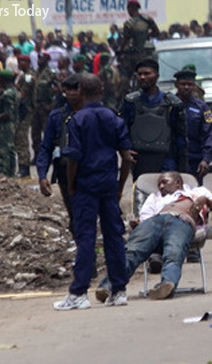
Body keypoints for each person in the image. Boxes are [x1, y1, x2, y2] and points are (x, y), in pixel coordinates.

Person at [54, 74, 133, 311]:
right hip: (108, 184)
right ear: (101, 88)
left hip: (86, 186)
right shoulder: (113, 117)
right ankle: (119, 290)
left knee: (86, 238)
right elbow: (127, 157)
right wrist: (119, 186)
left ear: (80, 90)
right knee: (114, 237)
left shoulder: (77, 120)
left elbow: (73, 159)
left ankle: (79, 292)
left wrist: (70, 185)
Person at [95, 171, 212, 302]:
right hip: (154, 222)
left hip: (181, 221)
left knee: (174, 253)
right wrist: (137, 224)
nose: (161, 187)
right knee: (132, 251)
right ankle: (109, 286)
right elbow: (145, 219)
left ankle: (167, 284)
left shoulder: (199, 192)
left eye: (165, 182)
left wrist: (207, 202)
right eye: (159, 184)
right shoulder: (154, 198)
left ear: (178, 182)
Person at [121, 58, 184, 181]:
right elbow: (123, 129)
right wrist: (125, 150)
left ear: (157, 76)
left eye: (147, 73)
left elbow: (180, 135)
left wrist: (182, 165)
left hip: (166, 159)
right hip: (140, 159)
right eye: (140, 74)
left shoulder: (171, 103)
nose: (143, 77)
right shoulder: (131, 102)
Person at [36, 74, 83, 234]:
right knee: (74, 214)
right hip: (64, 173)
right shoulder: (57, 117)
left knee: (85, 215)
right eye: (68, 90)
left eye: (76, 89)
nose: (72, 93)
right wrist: (42, 176)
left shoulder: (94, 114)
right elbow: (46, 147)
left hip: (89, 172)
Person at [173, 67, 212, 185]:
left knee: (193, 196)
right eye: (183, 84)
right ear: (176, 84)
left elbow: (210, 134)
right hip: (172, 159)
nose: (186, 87)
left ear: (194, 86)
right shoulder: (168, 105)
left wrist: (206, 159)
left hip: (194, 160)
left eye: (190, 84)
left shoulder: (202, 108)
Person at [118, 0, 160, 101]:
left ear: (131, 8)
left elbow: (126, 39)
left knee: (126, 76)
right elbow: (157, 32)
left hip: (134, 55)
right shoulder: (147, 19)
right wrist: (146, 36)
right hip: (147, 54)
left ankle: (122, 99)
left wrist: (120, 50)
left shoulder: (129, 23)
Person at [14, 55, 35, 178]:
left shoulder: (28, 77)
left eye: (21, 61)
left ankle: (24, 167)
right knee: (18, 138)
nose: (19, 64)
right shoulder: (22, 76)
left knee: (22, 138)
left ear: (27, 62)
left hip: (25, 111)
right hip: (21, 111)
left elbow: (22, 95)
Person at [31, 52, 55, 160]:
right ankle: (37, 155)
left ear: (47, 61)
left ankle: (48, 155)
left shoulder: (51, 74)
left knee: (47, 133)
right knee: (35, 133)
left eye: (42, 58)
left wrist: (52, 104)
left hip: (45, 106)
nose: (39, 60)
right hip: (35, 107)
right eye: (39, 58)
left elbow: (58, 90)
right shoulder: (34, 73)